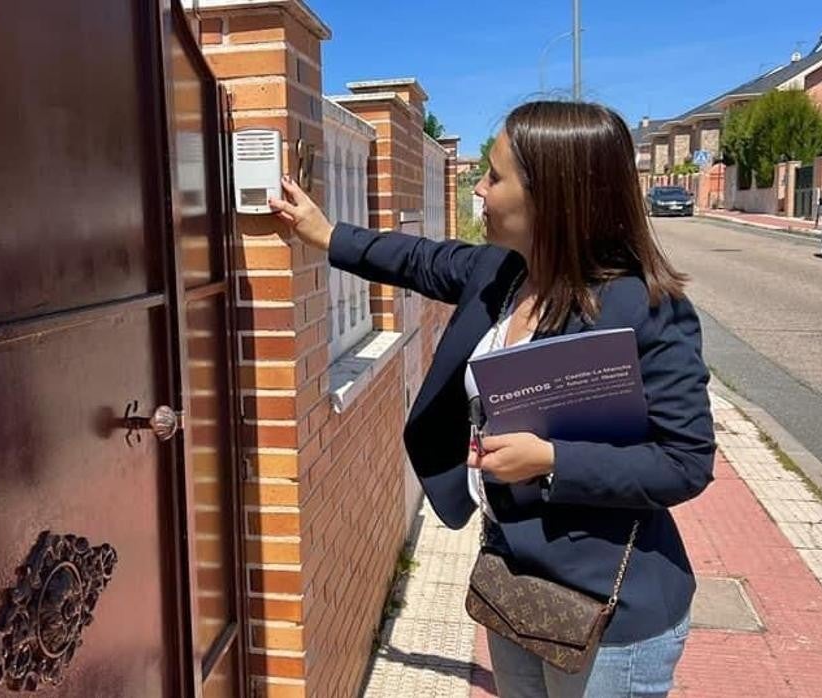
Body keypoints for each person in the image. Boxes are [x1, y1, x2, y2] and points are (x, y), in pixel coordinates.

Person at [270, 101, 715, 697]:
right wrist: (324, 234)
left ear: (552, 196)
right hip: (515, 581)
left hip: (610, 614)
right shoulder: (503, 274)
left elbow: (685, 461)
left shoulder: (645, 310)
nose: (478, 188)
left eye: (495, 176)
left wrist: (552, 461)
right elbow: (417, 259)